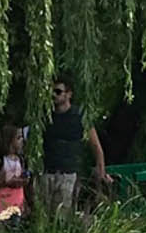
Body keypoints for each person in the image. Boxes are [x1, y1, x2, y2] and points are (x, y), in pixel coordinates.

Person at [41, 77, 109, 214]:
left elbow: (96, 146)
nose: (53, 94)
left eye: (58, 91)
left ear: (69, 94)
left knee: (63, 215)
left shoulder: (79, 116)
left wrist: (100, 173)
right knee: (44, 215)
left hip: (69, 174)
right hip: (47, 172)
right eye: (51, 91)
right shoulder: (44, 116)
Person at [0, 121, 28, 221]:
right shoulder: (0, 160)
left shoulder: (21, 160)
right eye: (19, 138)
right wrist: (1, 183)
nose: (22, 140)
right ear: (9, 140)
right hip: (1, 203)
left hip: (17, 203)